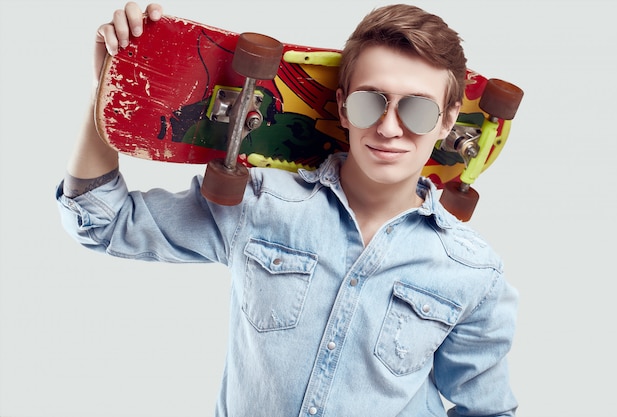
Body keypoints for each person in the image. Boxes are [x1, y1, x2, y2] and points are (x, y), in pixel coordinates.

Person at [56, 2, 519, 416]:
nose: (389, 128)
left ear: (448, 121)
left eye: (417, 110)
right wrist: (111, 94)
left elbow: (486, 409)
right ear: (341, 106)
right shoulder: (259, 204)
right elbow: (103, 222)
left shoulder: (473, 273)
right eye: (368, 103)